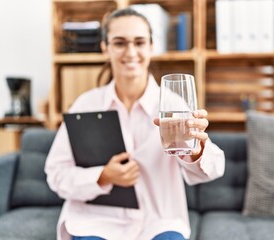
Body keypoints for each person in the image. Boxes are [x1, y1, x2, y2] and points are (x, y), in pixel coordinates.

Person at [45, 8, 225, 240]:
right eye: (119, 43)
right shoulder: (86, 105)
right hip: (95, 221)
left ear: (151, 47)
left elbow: (213, 169)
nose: (131, 52)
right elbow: (56, 174)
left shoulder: (173, 104)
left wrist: (196, 149)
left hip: (158, 221)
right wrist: (102, 176)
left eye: (139, 42)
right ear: (105, 48)